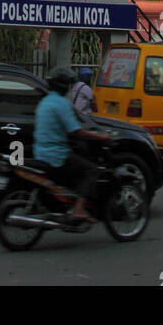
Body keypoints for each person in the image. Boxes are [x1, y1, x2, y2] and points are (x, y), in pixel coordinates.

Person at [33, 68, 112, 223]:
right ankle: (78, 209)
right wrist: (99, 137)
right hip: (57, 155)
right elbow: (76, 131)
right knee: (92, 170)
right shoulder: (62, 103)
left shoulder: (45, 101)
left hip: (40, 152)